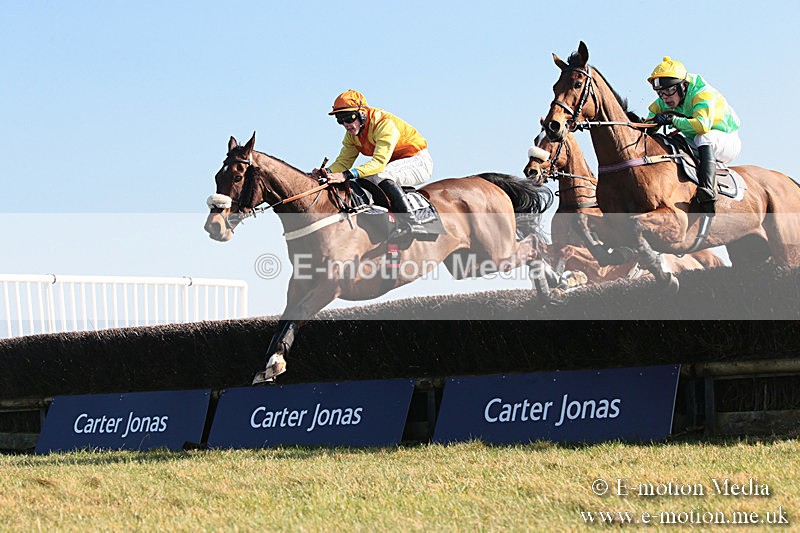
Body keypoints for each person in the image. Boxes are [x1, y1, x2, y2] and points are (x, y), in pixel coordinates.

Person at [314, 89, 433, 238]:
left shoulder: (384, 124)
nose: (345, 124)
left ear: (362, 113)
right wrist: (327, 172)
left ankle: (412, 222)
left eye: (348, 118)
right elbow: (344, 162)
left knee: (381, 175)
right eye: (340, 119)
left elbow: (379, 163)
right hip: (394, 164)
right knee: (364, 181)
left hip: (418, 161)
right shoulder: (352, 135)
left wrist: (345, 175)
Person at [646, 57, 741, 214]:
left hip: (726, 141)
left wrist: (672, 120)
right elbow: (647, 124)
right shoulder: (664, 100)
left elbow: (702, 126)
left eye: (669, 91)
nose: (665, 97)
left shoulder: (702, 94)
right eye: (661, 93)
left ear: (683, 86)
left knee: (703, 137)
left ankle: (708, 191)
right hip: (698, 143)